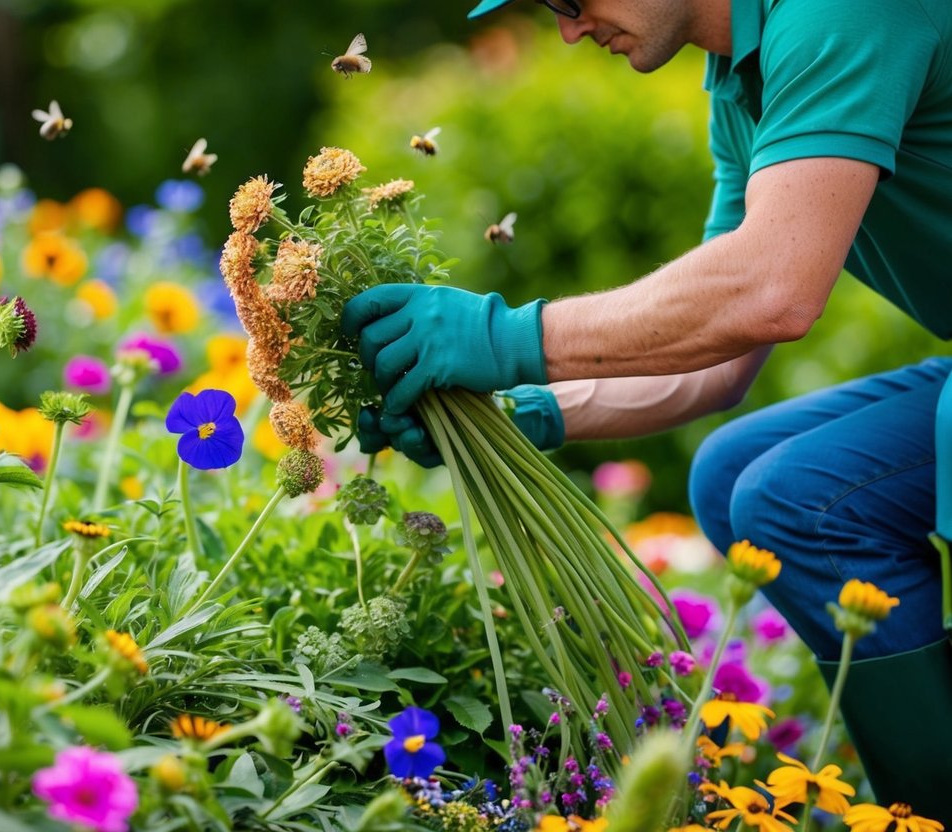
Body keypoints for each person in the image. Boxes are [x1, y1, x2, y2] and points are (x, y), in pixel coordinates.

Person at [340, 0, 952, 818]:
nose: (565, 28)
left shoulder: (842, 11)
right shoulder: (742, 82)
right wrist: (514, 412)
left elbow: (768, 288)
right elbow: (719, 355)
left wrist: (501, 332)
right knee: (753, 482)